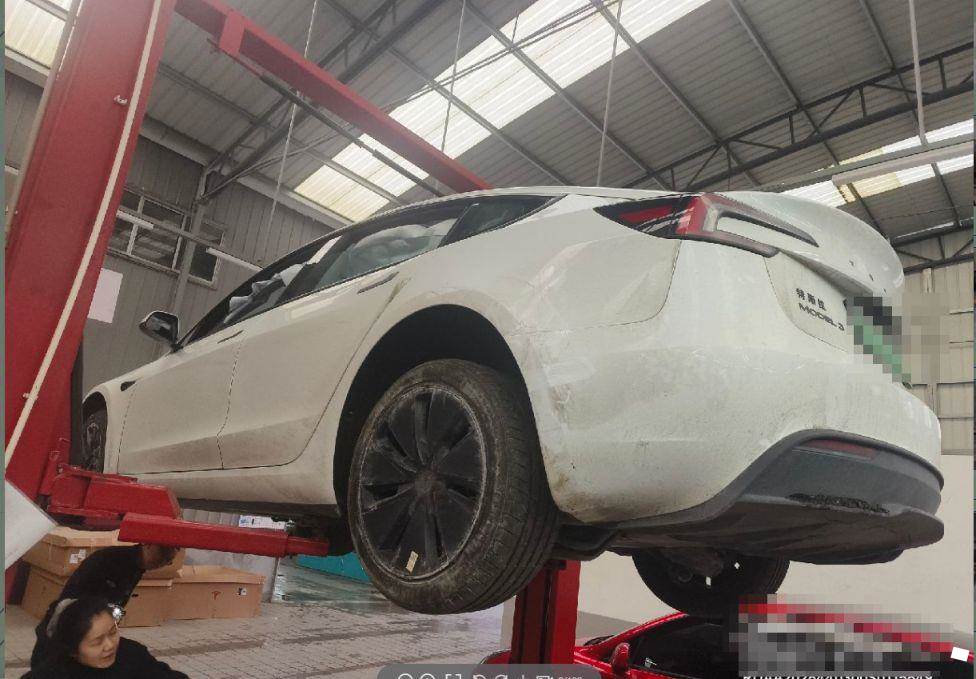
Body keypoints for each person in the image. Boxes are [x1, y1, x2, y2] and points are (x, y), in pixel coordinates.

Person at [30, 543, 177, 669]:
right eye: (163, 556)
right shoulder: (111, 560)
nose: (163, 563)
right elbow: (81, 599)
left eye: (168, 561)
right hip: (69, 626)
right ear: (148, 544)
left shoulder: (137, 567)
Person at [22, 596, 188, 678]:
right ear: (73, 650)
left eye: (112, 632)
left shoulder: (132, 654)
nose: (110, 645)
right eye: (97, 642)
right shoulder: (51, 674)